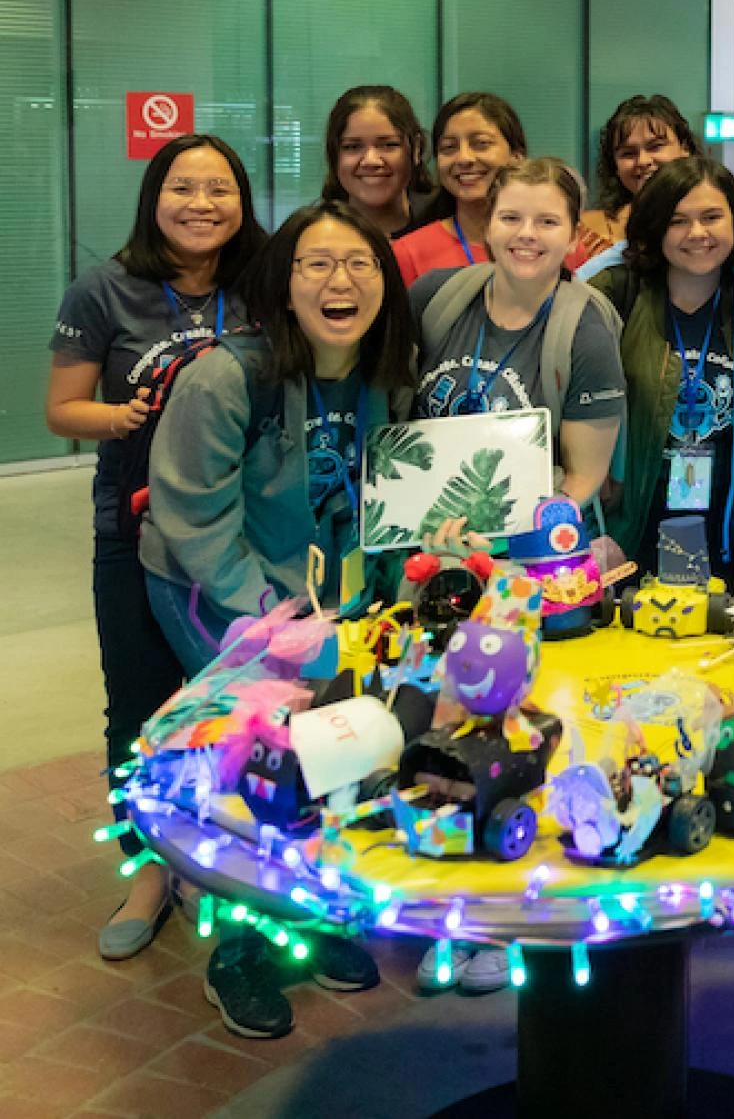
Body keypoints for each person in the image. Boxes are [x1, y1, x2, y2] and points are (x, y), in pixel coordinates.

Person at [141, 199, 415, 1038]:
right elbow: (196, 520)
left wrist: (377, 608)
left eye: (360, 263)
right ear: (283, 283)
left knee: (342, 750)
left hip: (325, 601)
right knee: (252, 766)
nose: (341, 281)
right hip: (219, 593)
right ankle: (240, 951)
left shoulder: (385, 372)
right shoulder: (229, 375)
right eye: (317, 264)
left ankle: (310, 918)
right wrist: (274, 624)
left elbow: (386, 508)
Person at [46, 134, 266, 963]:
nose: (202, 202)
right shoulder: (105, 286)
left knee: (248, 712)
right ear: (154, 196)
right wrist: (126, 417)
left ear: (242, 199)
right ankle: (149, 870)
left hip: (242, 537)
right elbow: (63, 408)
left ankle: (247, 860)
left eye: (220, 187)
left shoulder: (261, 283)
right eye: (184, 187)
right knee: (137, 707)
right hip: (132, 532)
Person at [409, 158, 625, 505]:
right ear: (488, 229)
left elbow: (582, 480)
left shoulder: (586, 335)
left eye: (547, 222)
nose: (527, 233)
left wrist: (497, 537)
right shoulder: (433, 297)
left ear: (572, 238)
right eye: (510, 218)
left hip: (528, 540)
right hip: (422, 527)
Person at [591, 156, 734, 575]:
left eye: (712, 217)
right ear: (656, 227)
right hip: (631, 515)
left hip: (721, 523)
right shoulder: (617, 292)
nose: (698, 234)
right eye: (678, 221)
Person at [393, 92, 528, 284]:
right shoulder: (409, 253)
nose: (464, 158)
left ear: (517, 156)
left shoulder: (556, 243)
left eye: (481, 144)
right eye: (449, 147)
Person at [573, 93, 698, 270]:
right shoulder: (583, 231)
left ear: (685, 148)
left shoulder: (714, 225)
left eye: (655, 147)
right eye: (628, 153)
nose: (643, 161)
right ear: (614, 166)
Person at [320, 85, 439, 240]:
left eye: (388, 145)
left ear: (416, 149)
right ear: (334, 155)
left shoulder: (448, 226)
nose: (371, 161)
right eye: (353, 146)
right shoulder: (311, 238)